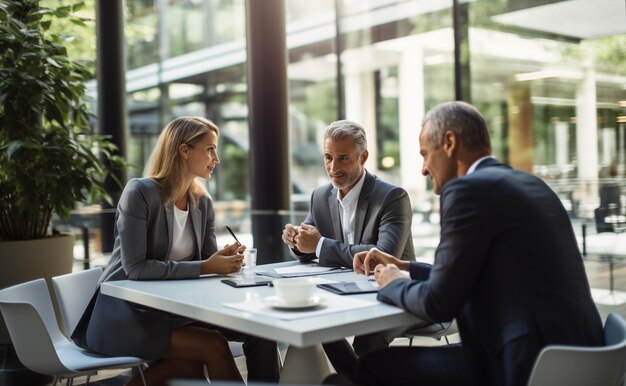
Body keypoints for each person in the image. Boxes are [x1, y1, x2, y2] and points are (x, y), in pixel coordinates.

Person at [329, 101, 604, 386]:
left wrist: (393, 281)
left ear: (449, 143)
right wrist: (404, 265)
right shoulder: (529, 184)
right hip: (577, 355)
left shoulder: (467, 190)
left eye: (425, 154)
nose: (423, 169)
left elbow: (438, 303)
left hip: (523, 363)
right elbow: (465, 274)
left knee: (373, 367)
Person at [72, 116, 279, 386]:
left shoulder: (202, 202)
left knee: (262, 330)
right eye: (210, 149)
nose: (216, 158)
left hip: (174, 312)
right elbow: (136, 268)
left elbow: (209, 264)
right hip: (126, 313)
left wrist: (224, 261)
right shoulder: (140, 193)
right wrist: (208, 266)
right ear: (184, 150)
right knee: (212, 346)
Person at [282, 119, 416, 374]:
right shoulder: (320, 196)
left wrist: (319, 244)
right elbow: (309, 246)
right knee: (317, 324)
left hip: (395, 292)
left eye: (343, 158)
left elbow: (381, 257)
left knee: (367, 340)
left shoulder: (392, 197)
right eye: (328, 157)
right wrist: (296, 241)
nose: (333, 167)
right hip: (345, 292)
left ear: (363, 157)